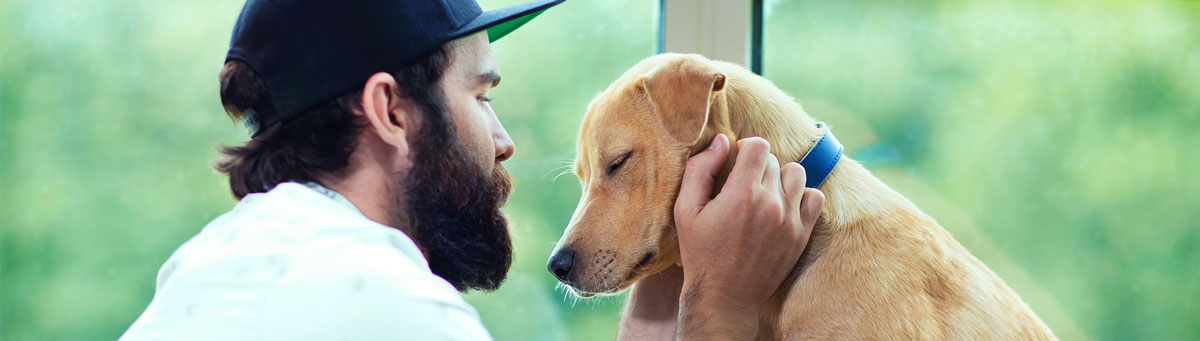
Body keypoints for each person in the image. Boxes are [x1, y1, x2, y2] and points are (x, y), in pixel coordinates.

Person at [121, 0, 826, 339]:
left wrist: (659, 297)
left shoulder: (209, 268)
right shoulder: (384, 305)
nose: (504, 138)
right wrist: (726, 303)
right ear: (391, 110)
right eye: (481, 96)